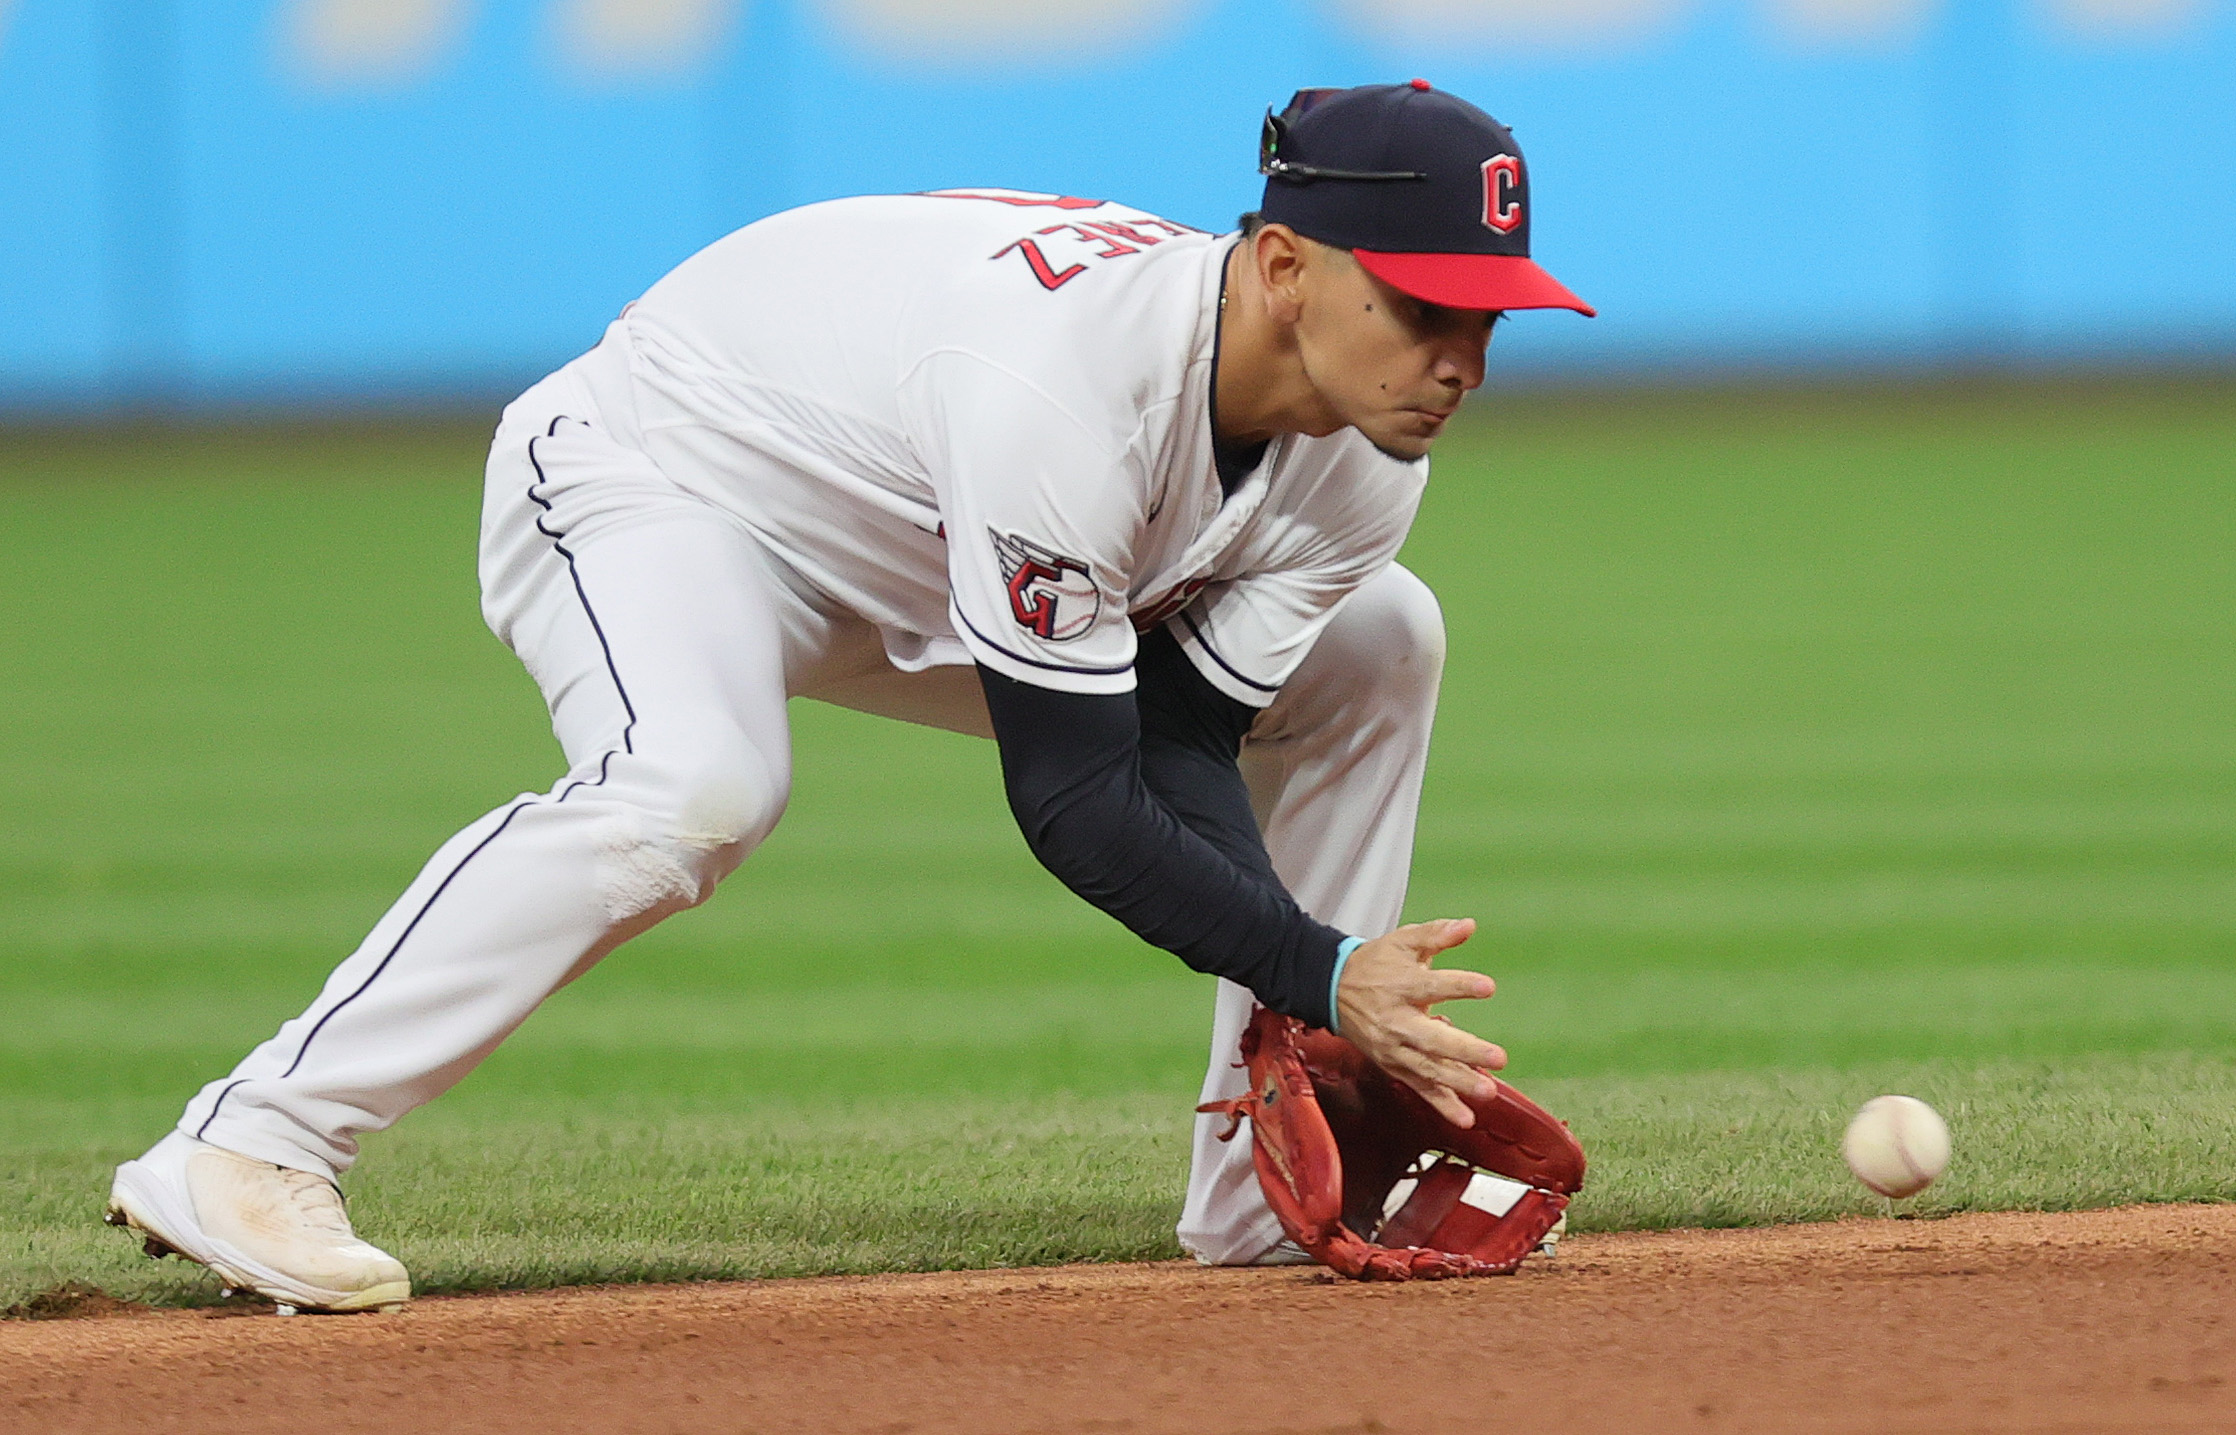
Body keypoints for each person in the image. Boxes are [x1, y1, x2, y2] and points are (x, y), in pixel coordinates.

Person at [105, 80, 1594, 1313]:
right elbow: (1077, 800)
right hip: (667, 478)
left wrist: (1299, 986)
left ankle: (1257, 1191)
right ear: (1284, 266)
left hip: (923, 541)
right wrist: (1327, 970)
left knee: (1381, 638)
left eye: (1488, 321)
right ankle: (250, 1143)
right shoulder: (1070, 389)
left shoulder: (1358, 458)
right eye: (1421, 308)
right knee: (694, 788)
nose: (1458, 360)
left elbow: (1178, 735)